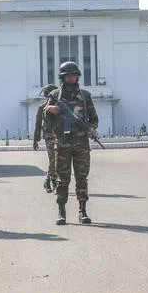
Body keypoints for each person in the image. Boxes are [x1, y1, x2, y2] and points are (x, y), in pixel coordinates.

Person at [44, 61, 98, 225]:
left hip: (81, 144)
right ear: (63, 77)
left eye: (74, 75)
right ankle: (61, 212)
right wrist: (51, 109)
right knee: (62, 179)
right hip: (62, 143)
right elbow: (45, 114)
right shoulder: (54, 95)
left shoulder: (85, 95)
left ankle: (82, 212)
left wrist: (92, 129)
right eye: (68, 75)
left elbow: (94, 119)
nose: (71, 78)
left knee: (82, 178)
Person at [32, 84, 58, 192]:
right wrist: (35, 140)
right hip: (49, 136)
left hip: (60, 137)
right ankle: (53, 182)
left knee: (57, 160)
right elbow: (38, 125)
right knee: (53, 160)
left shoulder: (59, 106)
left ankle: (48, 180)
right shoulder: (42, 108)